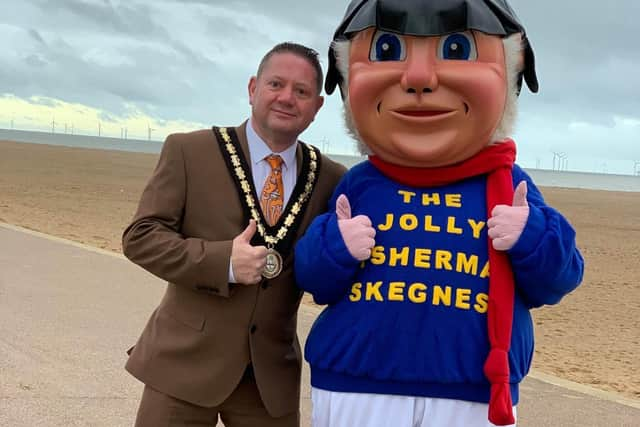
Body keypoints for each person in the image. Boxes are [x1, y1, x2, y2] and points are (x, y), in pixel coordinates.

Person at [294, 1, 584, 426]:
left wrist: (531, 233)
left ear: (513, 70)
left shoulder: (506, 184)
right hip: (356, 383)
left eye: (457, 49)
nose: (418, 79)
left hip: (471, 391)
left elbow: (561, 278)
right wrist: (337, 246)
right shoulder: (362, 183)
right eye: (388, 49)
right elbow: (313, 278)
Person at [122, 41, 346, 427]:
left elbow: (329, 264)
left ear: (317, 107)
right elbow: (140, 236)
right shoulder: (190, 151)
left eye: (302, 91)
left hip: (269, 378)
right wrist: (221, 261)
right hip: (183, 366)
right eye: (276, 84)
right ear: (252, 88)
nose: (287, 98)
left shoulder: (331, 178)